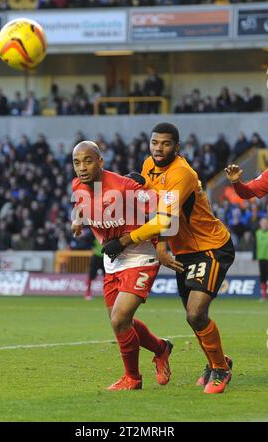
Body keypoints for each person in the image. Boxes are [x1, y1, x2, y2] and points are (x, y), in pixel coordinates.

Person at [103, 123, 235, 394]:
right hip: (183, 252)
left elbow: (166, 218)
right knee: (194, 318)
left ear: (177, 146)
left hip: (209, 246)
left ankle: (220, 369)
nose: (158, 148)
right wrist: (134, 183)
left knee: (196, 313)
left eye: (165, 144)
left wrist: (135, 242)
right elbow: (149, 202)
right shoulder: (148, 164)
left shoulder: (182, 173)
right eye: (154, 143)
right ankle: (217, 361)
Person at [71, 141, 175, 391]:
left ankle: (133, 378)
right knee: (120, 321)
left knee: (119, 319)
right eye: (76, 162)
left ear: (100, 161)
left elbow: (167, 212)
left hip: (140, 256)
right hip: (113, 261)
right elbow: (81, 204)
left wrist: (160, 247)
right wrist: (78, 220)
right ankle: (161, 348)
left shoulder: (124, 186)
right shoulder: (78, 185)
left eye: (88, 160)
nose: (82, 168)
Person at [254, 218, 268, 302]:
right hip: (261, 258)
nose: (264, 224)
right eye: (263, 223)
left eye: (266, 223)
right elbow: (255, 245)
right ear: (260, 224)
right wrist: (254, 256)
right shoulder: (257, 233)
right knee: (263, 278)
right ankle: (264, 296)